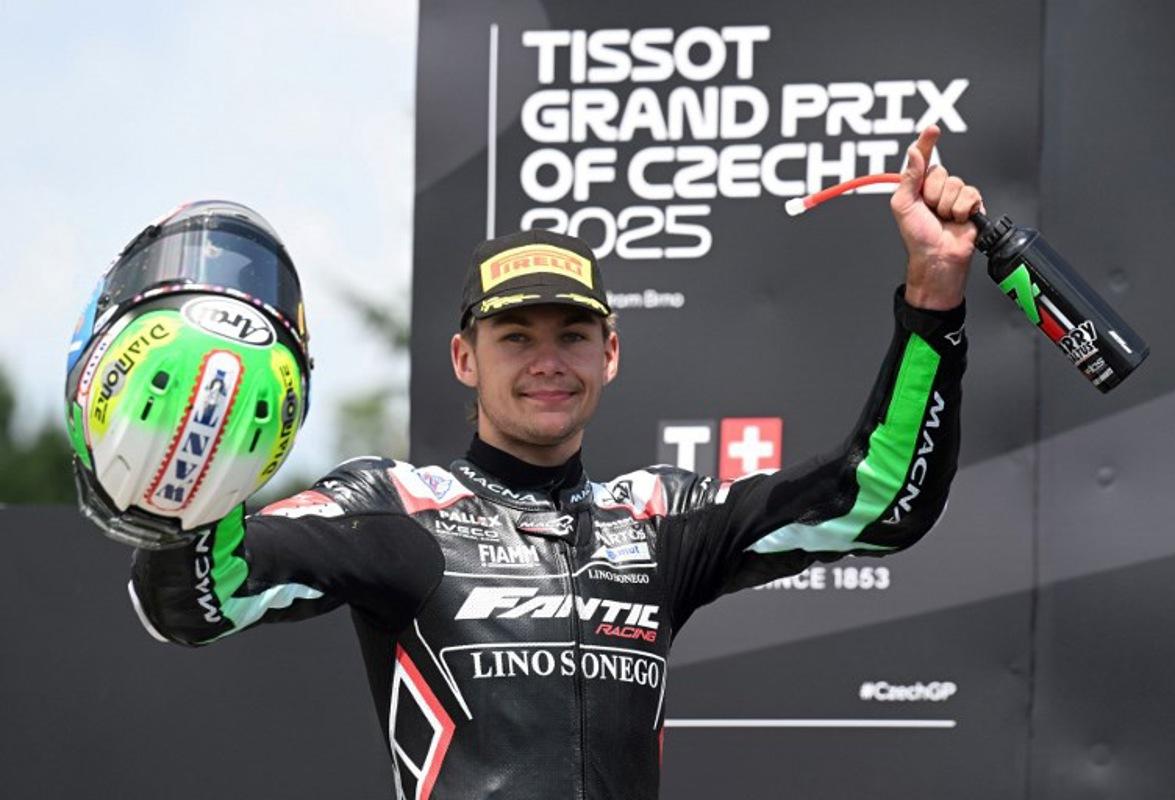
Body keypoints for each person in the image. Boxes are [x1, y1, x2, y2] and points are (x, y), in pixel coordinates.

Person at [118, 125, 978, 799]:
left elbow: (879, 499)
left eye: (572, 335)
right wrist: (181, 488)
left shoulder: (661, 521)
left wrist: (934, 294)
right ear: (464, 358)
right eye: (515, 338)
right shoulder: (393, 508)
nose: (547, 362)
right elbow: (192, 603)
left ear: (611, 353)